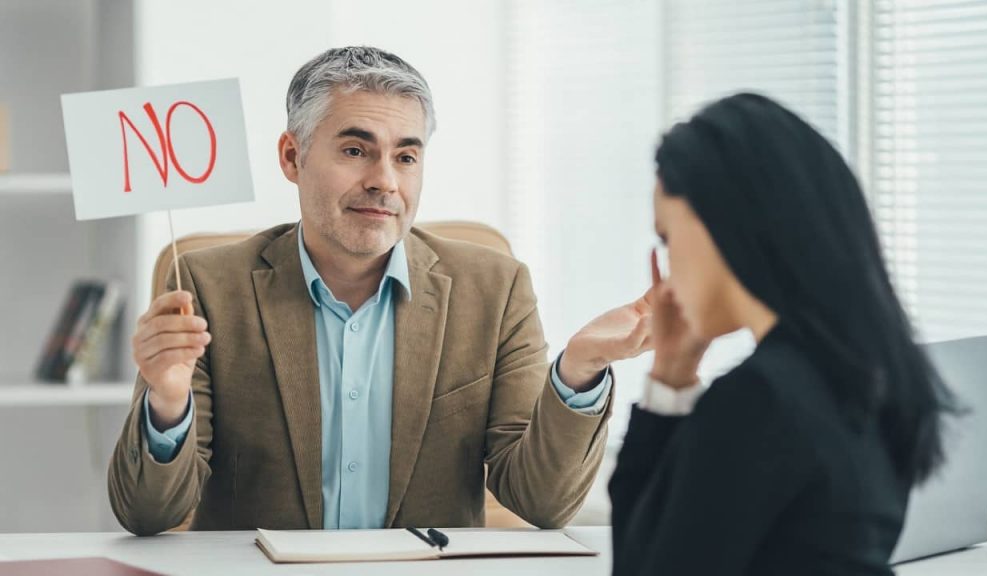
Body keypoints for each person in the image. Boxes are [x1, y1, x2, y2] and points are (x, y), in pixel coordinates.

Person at [108, 47, 655, 536]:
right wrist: (167, 401)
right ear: (292, 158)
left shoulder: (495, 288)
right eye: (355, 151)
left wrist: (579, 369)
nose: (385, 181)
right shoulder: (206, 286)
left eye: (406, 157)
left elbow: (542, 503)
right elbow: (147, 515)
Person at [610, 93, 957, 575]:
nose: (666, 271)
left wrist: (663, 385)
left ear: (719, 219)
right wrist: (673, 371)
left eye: (668, 237)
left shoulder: (759, 400)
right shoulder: (865, 382)